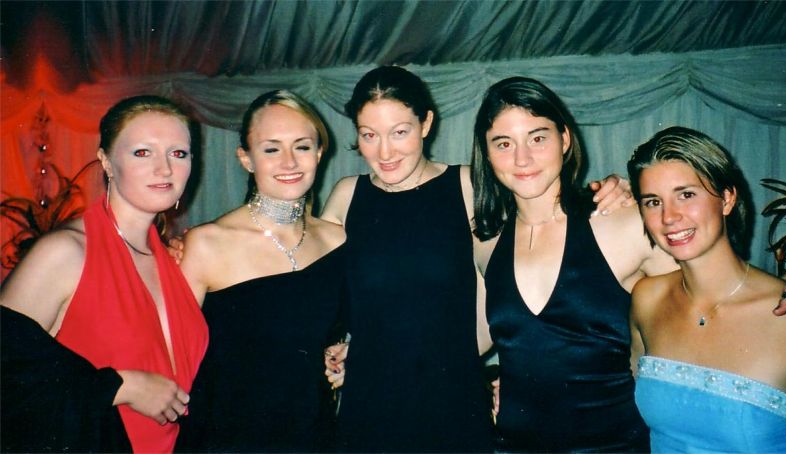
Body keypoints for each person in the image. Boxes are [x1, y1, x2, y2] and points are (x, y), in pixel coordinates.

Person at [320, 66, 632, 453]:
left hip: (451, 397)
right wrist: (338, 345)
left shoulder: (468, 187)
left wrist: (609, 189)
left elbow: (540, 213)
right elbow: (313, 285)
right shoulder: (347, 195)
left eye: (399, 132)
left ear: (426, 123)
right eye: (369, 135)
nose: (385, 152)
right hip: (370, 399)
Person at [470, 76, 681, 452]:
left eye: (538, 138)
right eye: (503, 143)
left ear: (565, 139)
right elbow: (473, 339)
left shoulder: (624, 222)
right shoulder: (485, 242)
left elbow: (704, 311)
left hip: (614, 446)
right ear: (486, 153)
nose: (522, 159)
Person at [0, 95, 208, 453]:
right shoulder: (66, 252)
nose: (165, 169)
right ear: (107, 162)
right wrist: (120, 386)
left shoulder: (173, 259)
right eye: (143, 152)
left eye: (178, 153)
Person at [173, 90, 347, 452]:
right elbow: (168, 358)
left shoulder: (337, 241)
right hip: (228, 440)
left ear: (318, 154)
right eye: (271, 149)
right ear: (246, 159)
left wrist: (346, 354)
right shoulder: (206, 244)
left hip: (314, 437)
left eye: (302, 146)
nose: (289, 161)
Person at [627, 126, 786, 452]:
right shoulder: (647, 298)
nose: (669, 217)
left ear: (727, 199)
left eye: (686, 195)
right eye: (653, 201)